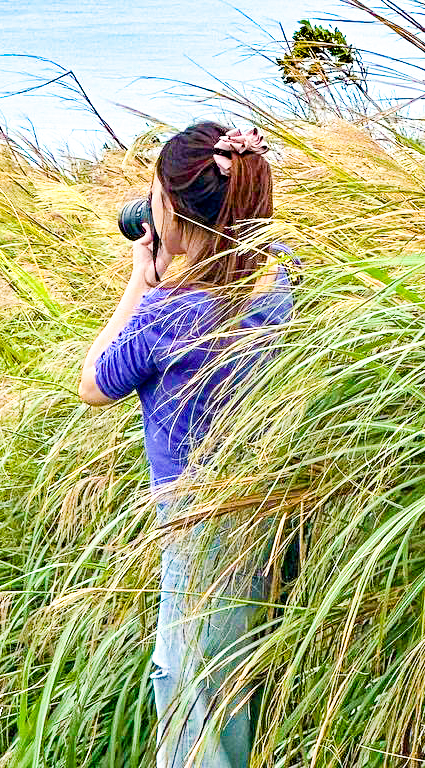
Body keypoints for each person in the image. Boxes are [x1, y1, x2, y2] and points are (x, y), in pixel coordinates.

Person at [78, 120, 296, 768]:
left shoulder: (167, 315)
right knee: (235, 680)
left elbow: (92, 382)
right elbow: (248, 257)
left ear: (168, 211)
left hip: (199, 525)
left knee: (192, 694)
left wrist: (141, 280)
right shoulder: (283, 281)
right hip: (270, 512)